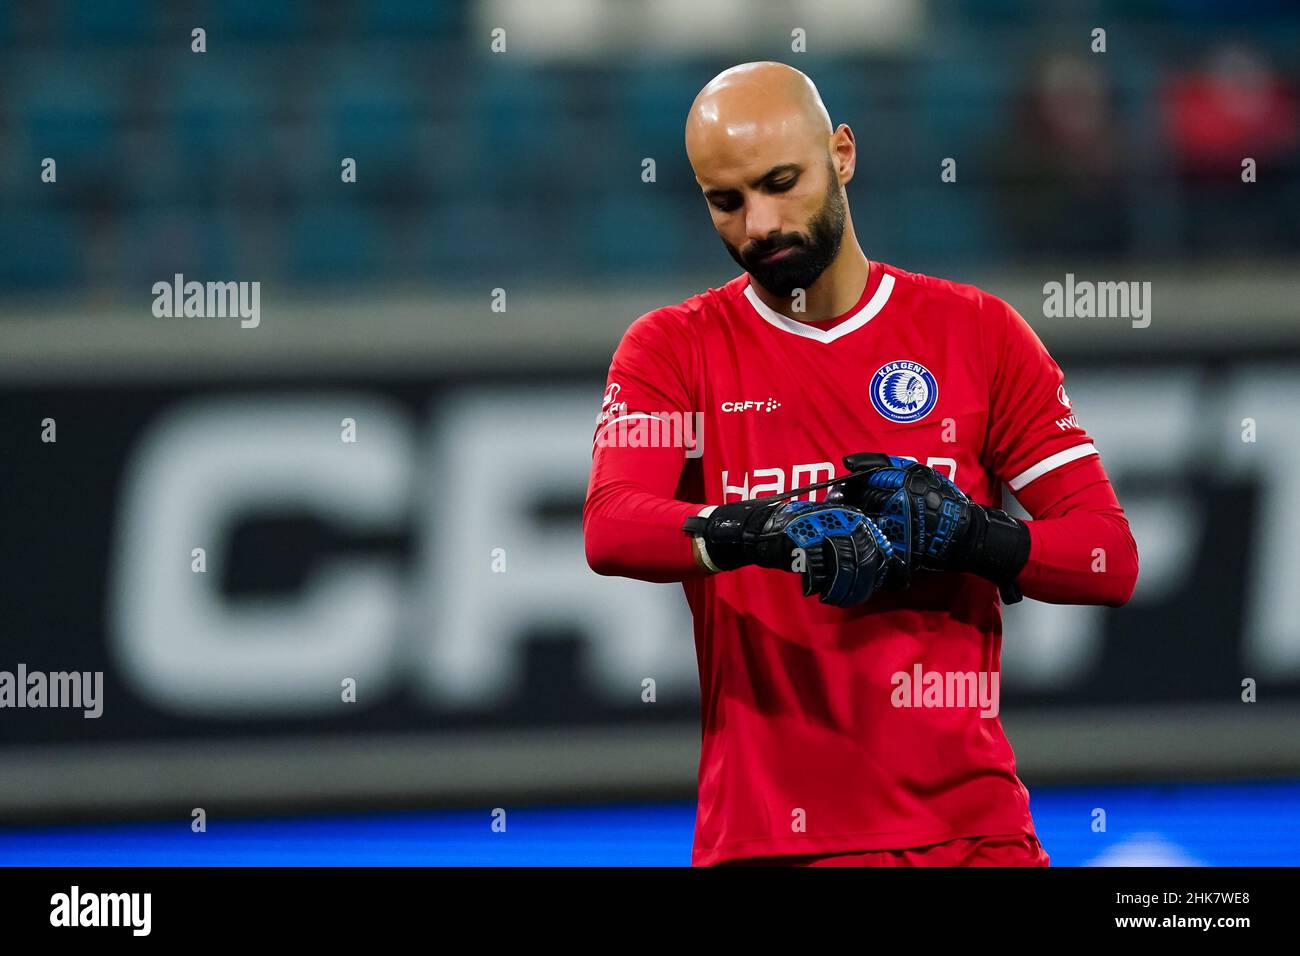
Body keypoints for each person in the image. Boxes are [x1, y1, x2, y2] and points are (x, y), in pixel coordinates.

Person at [583, 61, 1138, 867]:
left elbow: (1108, 558)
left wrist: (976, 538)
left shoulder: (978, 333)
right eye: (726, 201)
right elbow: (612, 527)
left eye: (781, 182)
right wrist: (770, 529)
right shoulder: (672, 350)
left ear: (842, 153)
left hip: (973, 834)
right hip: (770, 840)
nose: (759, 226)